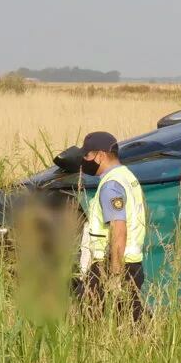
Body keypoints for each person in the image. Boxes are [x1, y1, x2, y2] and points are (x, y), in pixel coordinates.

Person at [76, 131, 148, 321]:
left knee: (97, 322)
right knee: (130, 319)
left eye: (87, 155)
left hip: (111, 264)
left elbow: (119, 228)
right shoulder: (127, 176)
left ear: (100, 156)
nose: (84, 160)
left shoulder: (111, 185)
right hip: (131, 262)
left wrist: (115, 274)